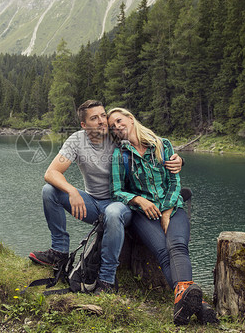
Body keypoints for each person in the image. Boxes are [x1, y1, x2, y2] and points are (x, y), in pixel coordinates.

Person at [29, 100, 183, 293]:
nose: (102, 121)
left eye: (103, 115)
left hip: (122, 205)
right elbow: (51, 173)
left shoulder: (118, 135)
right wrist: (73, 191)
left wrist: (178, 160)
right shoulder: (77, 141)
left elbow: (151, 146)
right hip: (92, 203)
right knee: (49, 190)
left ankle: (106, 280)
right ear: (84, 125)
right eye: (95, 118)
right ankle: (59, 252)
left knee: (112, 212)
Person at [107, 107, 217, 326]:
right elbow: (117, 191)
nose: (117, 127)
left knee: (177, 246)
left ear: (131, 118)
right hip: (143, 214)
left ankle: (185, 304)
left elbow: (175, 181)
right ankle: (199, 304)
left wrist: (166, 211)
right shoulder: (120, 154)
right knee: (163, 252)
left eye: (119, 121)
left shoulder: (162, 145)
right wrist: (139, 200)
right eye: (112, 126)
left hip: (173, 208)